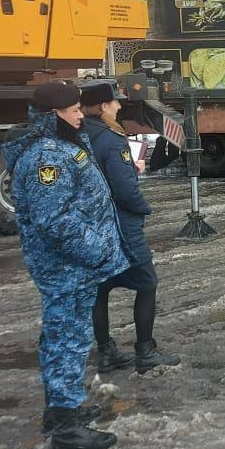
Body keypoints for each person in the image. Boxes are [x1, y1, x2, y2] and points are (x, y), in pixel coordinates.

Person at [3, 80, 131, 449]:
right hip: (66, 266)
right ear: (50, 116)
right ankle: (66, 427)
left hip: (72, 265)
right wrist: (99, 249)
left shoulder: (62, 144)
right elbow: (54, 221)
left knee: (65, 338)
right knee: (67, 341)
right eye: (72, 109)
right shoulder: (48, 156)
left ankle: (62, 410)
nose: (80, 113)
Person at [80, 79, 180, 374]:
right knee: (147, 283)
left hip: (91, 224)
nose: (120, 106)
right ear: (103, 107)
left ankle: (106, 352)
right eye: (115, 102)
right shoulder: (111, 138)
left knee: (100, 287)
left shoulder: (78, 134)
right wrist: (142, 207)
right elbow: (124, 189)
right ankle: (145, 352)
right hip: (120, 223)